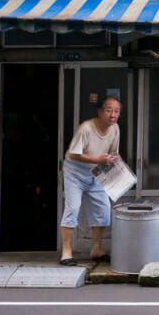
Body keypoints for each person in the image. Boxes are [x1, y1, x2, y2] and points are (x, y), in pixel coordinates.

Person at [59, 96, 121, 265]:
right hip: (75, 171)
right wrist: (98, 161)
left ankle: (96, 249)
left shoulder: (115, 128)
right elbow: (73, 154)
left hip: (96, 172)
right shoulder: (86, 128)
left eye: (116, 111)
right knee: (73, 208)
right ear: (100, 111)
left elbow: (114, 152)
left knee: (103, 209)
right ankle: (66, 251)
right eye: (109, 110)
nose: (112, 115)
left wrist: (120, 167)